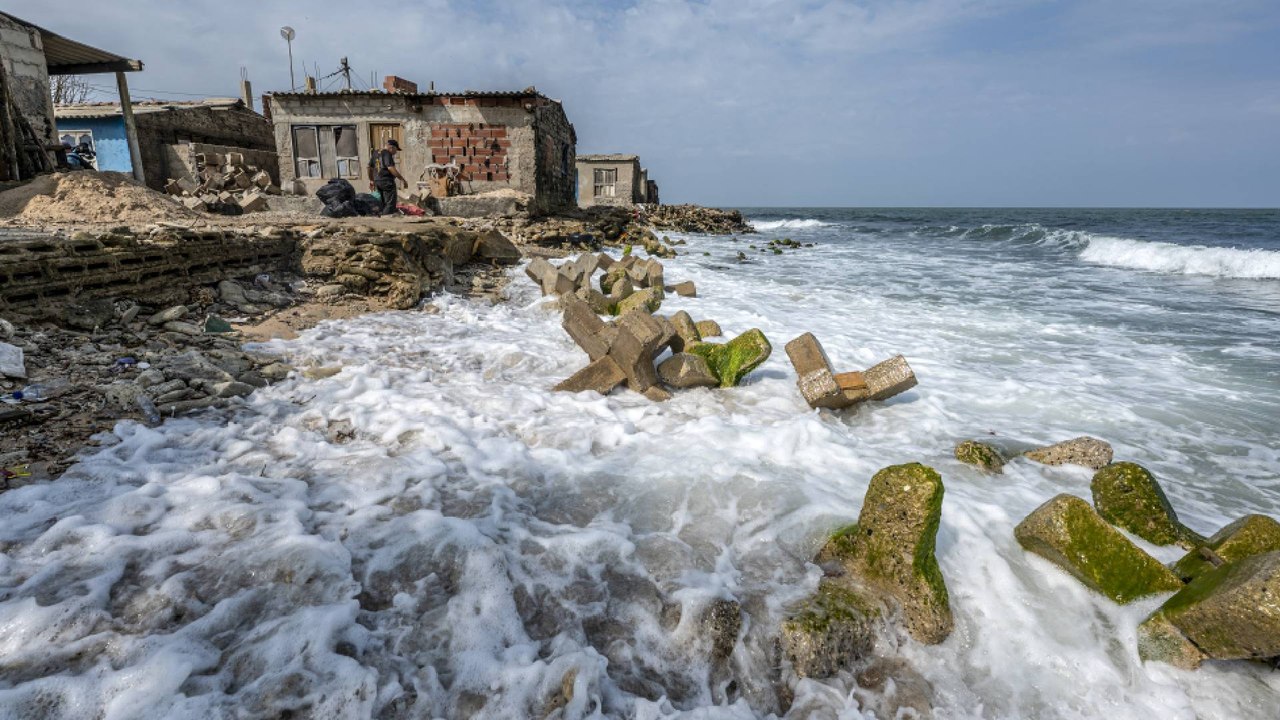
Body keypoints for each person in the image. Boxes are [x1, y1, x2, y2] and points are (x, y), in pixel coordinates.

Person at [368, 138, 408, 215]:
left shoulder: (375, 153)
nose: (395, 152)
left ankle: (382, 216)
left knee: (382, 202)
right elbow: (390, 168)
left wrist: (371, 180)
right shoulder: (387, 153)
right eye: (396, 150)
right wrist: (402, 180)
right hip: (387, 182)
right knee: (390, 203)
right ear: (391, 147)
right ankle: (387, 218)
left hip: (377, 181)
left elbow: (369, 167)